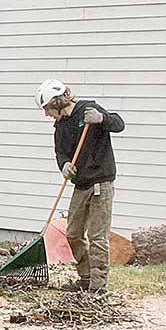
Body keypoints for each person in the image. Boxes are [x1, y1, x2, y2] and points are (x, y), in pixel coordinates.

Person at [36, 79, 125, 293]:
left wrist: (101, 118)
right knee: (73, 233)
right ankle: (85, 278)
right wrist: (64, 165)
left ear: (57, 102)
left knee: (97, 236)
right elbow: (61, 152)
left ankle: (98, 286)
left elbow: (119, 124)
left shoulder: (89, 110)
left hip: (100, 183)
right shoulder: (61, 126)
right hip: (81, 185)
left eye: (47, 108)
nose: (47, 114)